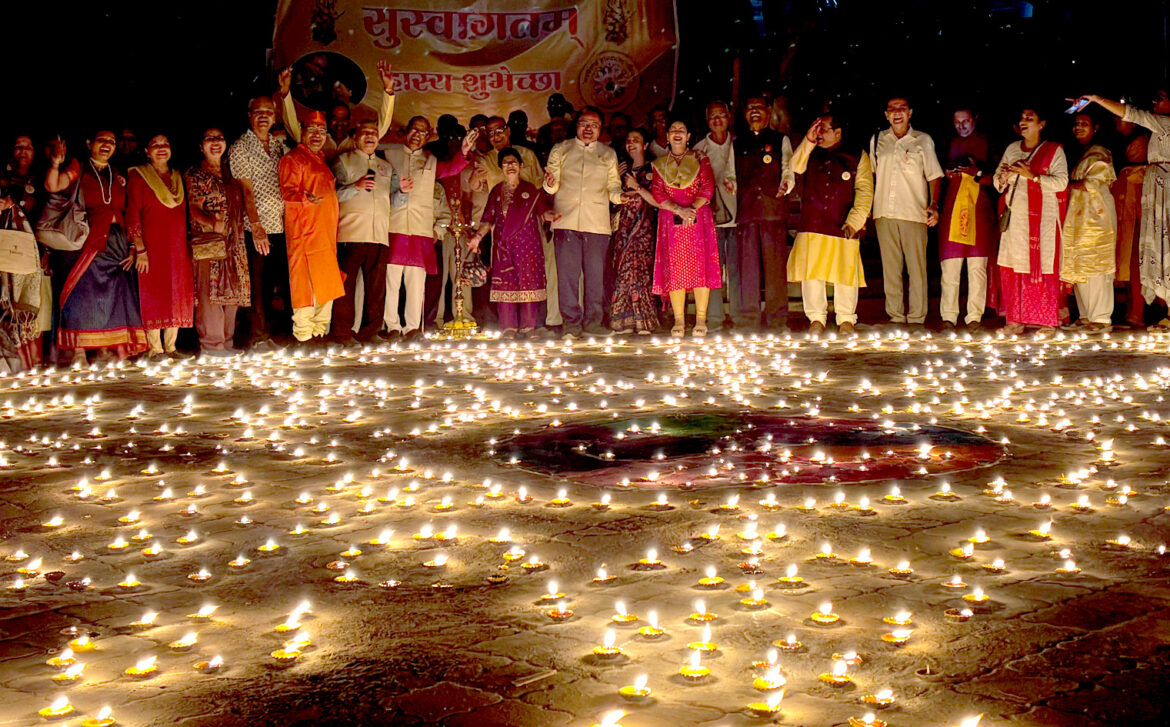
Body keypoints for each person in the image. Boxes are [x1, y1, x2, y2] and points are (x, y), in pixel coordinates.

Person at [46, 129, 148, 362]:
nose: (107, 145)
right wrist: (55, 164)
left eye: (112, 142)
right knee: (82, 296)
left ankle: (105, 349)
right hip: (86, 242)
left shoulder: (117, 174)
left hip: (116, 244)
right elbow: (54, 185)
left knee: (111, 297)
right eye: (101, 140)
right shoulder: (78, 166)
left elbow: (128, 211)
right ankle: (79, 352)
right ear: (89, 143)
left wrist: (133, 247)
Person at [1072, 91, 1170, 329]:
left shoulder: (1165, 123)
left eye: (1160, 98)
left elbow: (1131, 114)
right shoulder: (1158, 128)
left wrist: (1097, 99)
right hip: (1155, 189)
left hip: (1166, 188)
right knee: (1158, 248)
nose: (1154, 102)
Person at [382, 117, 475, 340]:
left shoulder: (431, 160)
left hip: (421, 231)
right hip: (393, 228)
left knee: (416, 283)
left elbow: (452, 168)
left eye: (423, 132)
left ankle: (413, 328)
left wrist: (463, 152)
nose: (418, 135)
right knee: (391, 282)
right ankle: (392, 326)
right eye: (415, 130)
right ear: (407, 131)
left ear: (429, 136)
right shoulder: (389, 156)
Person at [787, 115, 873, 336]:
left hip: (843, 223)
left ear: (838, 133)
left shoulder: (856, 156)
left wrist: (855, 221)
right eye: (817, 129)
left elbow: (864, 191)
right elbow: (795, 166)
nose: (819, 134)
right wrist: (807, 139)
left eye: (824, 129)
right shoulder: (810, 152)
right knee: (812, 273)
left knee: (845, 273)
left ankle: (846, 319)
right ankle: (816, 318)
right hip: (812, 223)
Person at [542, 106, 624, 338]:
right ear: (576, 125)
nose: (588, 129)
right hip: (565, 219)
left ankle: (593, 322)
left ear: (600, 130)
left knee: (595, 277)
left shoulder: (607, 154)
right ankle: (571, 324)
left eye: (594, 125)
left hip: (596, 222)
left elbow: (613, 187)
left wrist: (622, 197)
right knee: (567, 277)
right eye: (584, 123)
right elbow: (552, 185)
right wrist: (548, 182)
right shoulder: (561, 149)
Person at [330, 120, 409, 345]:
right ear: (355, 137)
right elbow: (331, 196)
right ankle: (343, 334)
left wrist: (403, 191)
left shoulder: (386, 167)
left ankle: (370, 332)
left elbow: (395, 201)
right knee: (345, 288)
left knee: (376, 289)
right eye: (364, 132)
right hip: (350, 234)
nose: (370, 136)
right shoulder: (342, 161)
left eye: (374, 133)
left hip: (379, 235)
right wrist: (354, 186)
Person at [993, 106, 1068, 337]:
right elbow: (997, 182)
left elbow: (1062, 183)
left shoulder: (1053, 150)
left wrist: (1033, 176)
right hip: (1016, 220)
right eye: (1022, 118)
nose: (1023, 121)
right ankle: (1015, 321)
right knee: (1013, 266)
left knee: (1042, 267)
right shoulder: (1012, 149)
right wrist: (1003, 178)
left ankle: (1047, 323)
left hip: (1042, 220)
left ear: (1041, 124)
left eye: (1029, 118)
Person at [870, 96, 943, 327]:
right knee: (890, 267)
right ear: (886, 115)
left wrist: (934, 205)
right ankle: (896, 316)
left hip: (914, 211)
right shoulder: (878, 140)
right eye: (892, 109)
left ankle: (916, 317)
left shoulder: (922, 140)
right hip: (884, 212)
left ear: (910, 113)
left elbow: (934, 175)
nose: (897, 112)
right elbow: (871, 175)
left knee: (916, 268)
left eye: (902, 108)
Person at [468, 148, 553, 339]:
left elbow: (543, 213)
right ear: (501, 168)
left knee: (528, 283)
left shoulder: (531, 189)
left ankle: (528, 326)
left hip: (528, 245)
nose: (510, 166)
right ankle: (508, 327)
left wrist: (553, 215)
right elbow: (487, 219)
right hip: (503, 246)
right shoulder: (497, 191)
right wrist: (477, 238)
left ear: (521, 165)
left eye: (513, 162)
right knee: (505, 284)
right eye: (506, 163)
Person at [228, 94, 291, 351]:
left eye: (269, 112)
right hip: (256, 229)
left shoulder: (277, 147)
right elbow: (246, 191)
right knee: (255, 285)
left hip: (280, 226)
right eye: (258, 112)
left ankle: (268, 334)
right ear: (249, 115)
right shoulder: (241, 147)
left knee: (271, 285)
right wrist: (256, 227)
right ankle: (256, 337)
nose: (264, 116)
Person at [650, 118, 721, 338]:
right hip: (672, 220)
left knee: (700, 269)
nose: (677, 133)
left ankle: (700, 319)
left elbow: (708, 187)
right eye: (673, 130)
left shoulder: (700, 159)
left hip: (698, 219)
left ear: (689, 136)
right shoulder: (659, 163)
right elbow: (658, 193)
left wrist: (691, 209)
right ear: (668, 137)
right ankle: (679, 321)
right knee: (675, 269)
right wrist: (679, 210)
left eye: (682, 130)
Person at [126, 134, 194, 361]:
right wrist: (140, 249)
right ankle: (155, 349)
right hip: (152, 247)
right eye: (155, 145)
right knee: (154, 292)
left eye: (165, 144)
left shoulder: (177, 177)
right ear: (147, 151)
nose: (161, 149)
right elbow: (133, 213)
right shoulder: (138, 175)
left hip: (177, 248)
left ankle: (171, 347)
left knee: (177, 292)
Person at [279, 110, 344, 344]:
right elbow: (287, 192)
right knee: (305, 283)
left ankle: (318, 331)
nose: (317, 135)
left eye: (322, 131)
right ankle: (303, 334)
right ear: (302, 132)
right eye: (312, 130)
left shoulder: (321, 161)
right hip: (303, 232)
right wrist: (305, 198)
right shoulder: (293, 159)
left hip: (325, 233)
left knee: (326, 281)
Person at [185, 128, 251, 356]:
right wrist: (212, 223)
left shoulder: (229, 173)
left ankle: (227, 342)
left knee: (233, 290)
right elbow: (193, 208)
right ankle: (211, 344)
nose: (216, 142)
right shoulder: (195, 175)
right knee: (210, 292)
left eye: (220, 138)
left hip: (234, 240)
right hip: (210, 240)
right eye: (209, 139)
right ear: (201, 146)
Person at [735, 95, 794, 329]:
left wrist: (786, 185)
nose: (755, 111)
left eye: (760, 108)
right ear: (745, 114)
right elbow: (731, 173)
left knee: (775, 267)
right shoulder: (737, 143)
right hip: (747, 210)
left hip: (773, 209)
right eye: (750, 108)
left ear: (769, 112)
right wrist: (731, 185)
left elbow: (788, 168)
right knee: (747, 268)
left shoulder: (780, 140)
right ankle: (748, 319)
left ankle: (778, 319)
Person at [938, 108, 998, 330]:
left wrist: (977, 174)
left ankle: (974, 316)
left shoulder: (988, 143)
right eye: (957, 122)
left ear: (975, 120)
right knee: (951, 267)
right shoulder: (947, 143)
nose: (962, 126)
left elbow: (997, 179)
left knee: (977, 267)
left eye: (966, 121)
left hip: (979, 211)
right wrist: (948, 173)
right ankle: (948, 316)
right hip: (952, 210)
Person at [1061, 111, 1117, 332]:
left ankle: (1101, 318)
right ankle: (1085, 316)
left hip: (1097, 217)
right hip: (1079, 217)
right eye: (1076, 124)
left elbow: (1092, 183)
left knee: (1097, 265)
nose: (1078, 127)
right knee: (1079, 263)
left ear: (1095, 128)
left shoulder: (1101, 153)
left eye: (1084, 123)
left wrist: (1064, 185)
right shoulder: (1080, 153)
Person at [280, 61, 396, 164]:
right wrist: (285, 91)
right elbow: (291, 124)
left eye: (344, 118)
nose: (340, 123)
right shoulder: (317, 138)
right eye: (335, 117)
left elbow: (380, 128)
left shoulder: (356, 142)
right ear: (328, 119)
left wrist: (389, 90)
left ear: (349, 121)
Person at [0, 135, 44, 371]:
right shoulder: (3, 178)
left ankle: (29, 363)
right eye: (18, 146)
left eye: (27, 146)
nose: (22, 151)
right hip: (4, 249)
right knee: (5, 301)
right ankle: (7, 363)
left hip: (32, 252)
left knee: (26, 302)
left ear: (35, 152)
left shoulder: (40, 180)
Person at [609, 128, 659, 335]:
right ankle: (623, 320)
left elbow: (658, 201)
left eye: (636, 140)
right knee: (623, 271)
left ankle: (643, 319)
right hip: (622, 228)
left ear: (645, 145)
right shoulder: (620, 170)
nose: (631, 144)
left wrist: (636, 187)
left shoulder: (654, 169)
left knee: (640, 272)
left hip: (644, 229)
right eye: (629, 140)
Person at [694, 100, 737, 331]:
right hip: (711, 217)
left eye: (722, 115)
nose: (718, 120)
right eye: (713, 117)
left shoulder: (738, 144)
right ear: (707, 120)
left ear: (729, 117)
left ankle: (741, 317)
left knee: (738, 269)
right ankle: (714, 318)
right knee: (712, 270)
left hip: (740, 214)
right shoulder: (699, 150)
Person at [1112, 134, 1149, 327]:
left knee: (1137, 267)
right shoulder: (1126, 172)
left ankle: (1138, 311)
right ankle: (1131, 310)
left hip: (1139, 226)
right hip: (1124, 224)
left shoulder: (1142, 173)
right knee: (1128, 265)